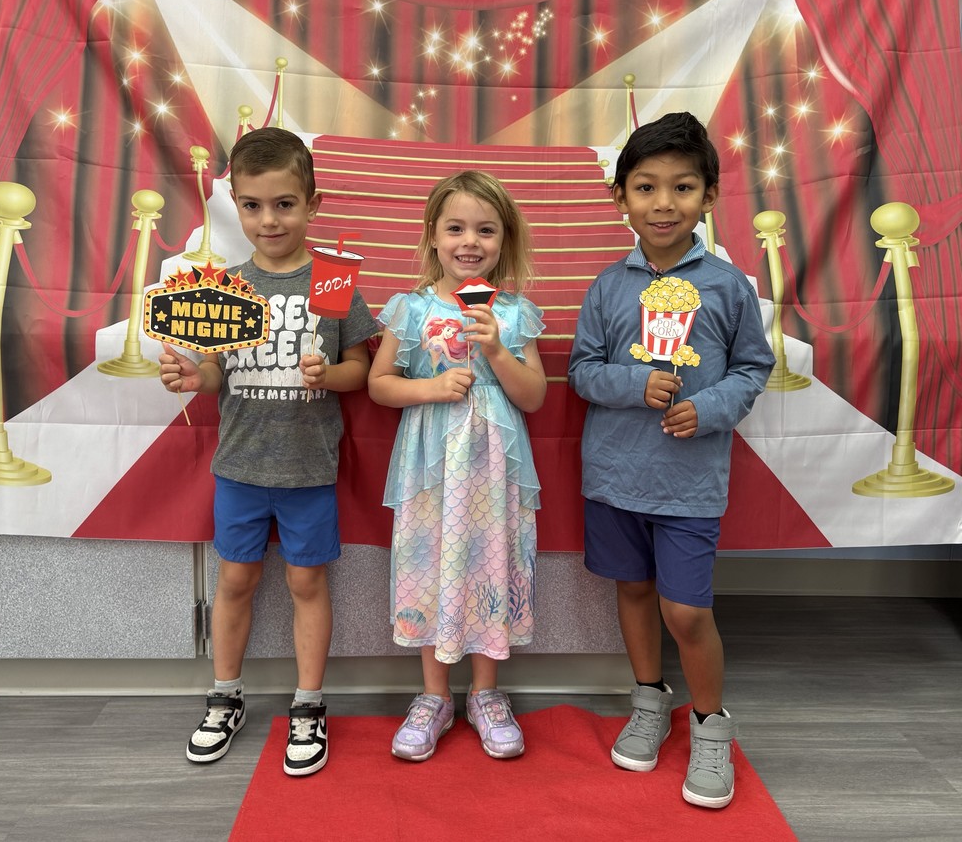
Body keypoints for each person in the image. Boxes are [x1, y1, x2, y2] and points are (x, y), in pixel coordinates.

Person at [568, 112, 775, 808]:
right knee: (631, 592)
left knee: (685, 611)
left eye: (682, 187)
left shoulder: (726, 286)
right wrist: (633, 383)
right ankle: (649, 700)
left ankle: (711, 725)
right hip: (614, 474)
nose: (664, 203)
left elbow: (753, 367)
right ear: (619, 197)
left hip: (689, 481)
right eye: (646, 187)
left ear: (708, 196)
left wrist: (709, 406)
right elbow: (581, 371)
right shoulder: (606, 286)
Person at [158, 127, 375, 776]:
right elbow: (216, 372)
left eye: (284, 203)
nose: (268, 218)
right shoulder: (223, 284)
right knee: (235, 579)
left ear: (313, 203)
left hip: (309, 469)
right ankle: (225, 694)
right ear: (235, 205)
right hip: (241, 468)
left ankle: (309, 703)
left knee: (307, 581)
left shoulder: (333, 280)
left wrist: (328, 374)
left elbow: (361, 367)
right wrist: (195, 376)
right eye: (252, 205)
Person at [369, 170, 546, 762]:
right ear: (434, 236)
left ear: (504, 240)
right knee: (429, 559)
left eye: (486, 230)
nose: (470, 241)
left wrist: (496, 347)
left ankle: (487, 695)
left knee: (489, 558)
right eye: (456, 228)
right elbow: (379, 385)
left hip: (494, 466)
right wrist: (432, 387)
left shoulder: (515, 312)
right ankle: (434, 694)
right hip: (429, 463)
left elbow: (534, 397)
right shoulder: (410, 307)